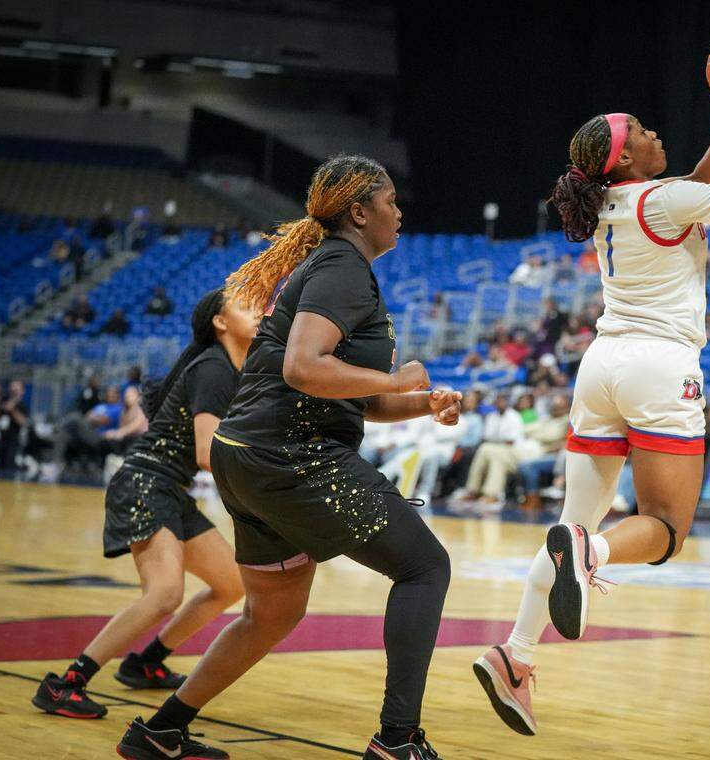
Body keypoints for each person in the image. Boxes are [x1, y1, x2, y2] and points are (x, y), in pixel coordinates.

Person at [474, 51, 710, 736]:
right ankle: (593, 555)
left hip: (601, 367)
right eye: (642, 129)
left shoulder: (621, 201)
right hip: (658, 366)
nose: (653, 132)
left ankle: (515, 655)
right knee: (665, 530)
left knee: (572, 519)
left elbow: (696, 191)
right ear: (627, 159)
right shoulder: (664, 199)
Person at [115, 156, 460, 760]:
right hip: (292, 456)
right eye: (390, 201)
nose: (400, 211)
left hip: (249, 457)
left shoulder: (333, 268)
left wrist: (420, 402)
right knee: (424, 566)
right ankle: (397, 740)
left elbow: (351, 399)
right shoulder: (342, 266)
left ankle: (161, 731)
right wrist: (392, 375)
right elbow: (305, 369)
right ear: (359, 211)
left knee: (271, 614)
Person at [32, 289, 259, 720]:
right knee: (164, 594)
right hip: (145, 482)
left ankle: (146, 662)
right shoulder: (213, 367)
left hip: (170, 488)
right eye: (246, 306)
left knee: (230, 583)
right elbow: (209, 455)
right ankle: (67, 684)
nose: (260, 312)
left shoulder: (233, 371)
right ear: (220, 322)